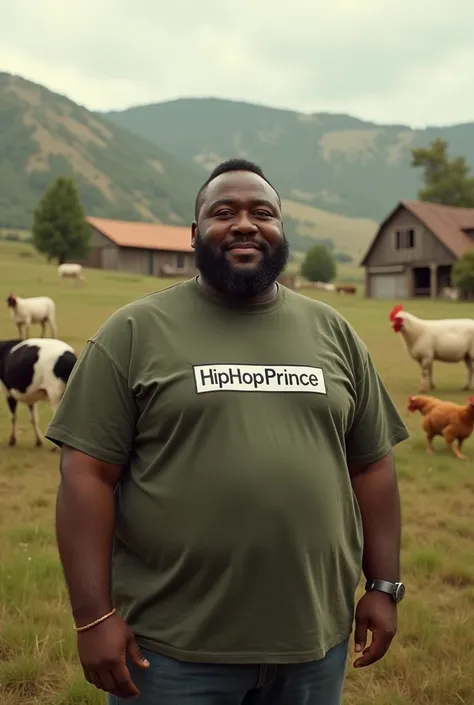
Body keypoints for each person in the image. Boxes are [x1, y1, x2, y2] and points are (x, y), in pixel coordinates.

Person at [47, 158, 409, 705]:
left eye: (263, 212)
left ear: (281, 231)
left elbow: (372, 465)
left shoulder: (333, 332)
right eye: (224, 212)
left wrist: (383, 585)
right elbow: (85, 476)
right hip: (171, 653)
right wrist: (92, 616)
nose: (245, 224)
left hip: (313, 644)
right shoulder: (133, 332)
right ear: (194, 235)